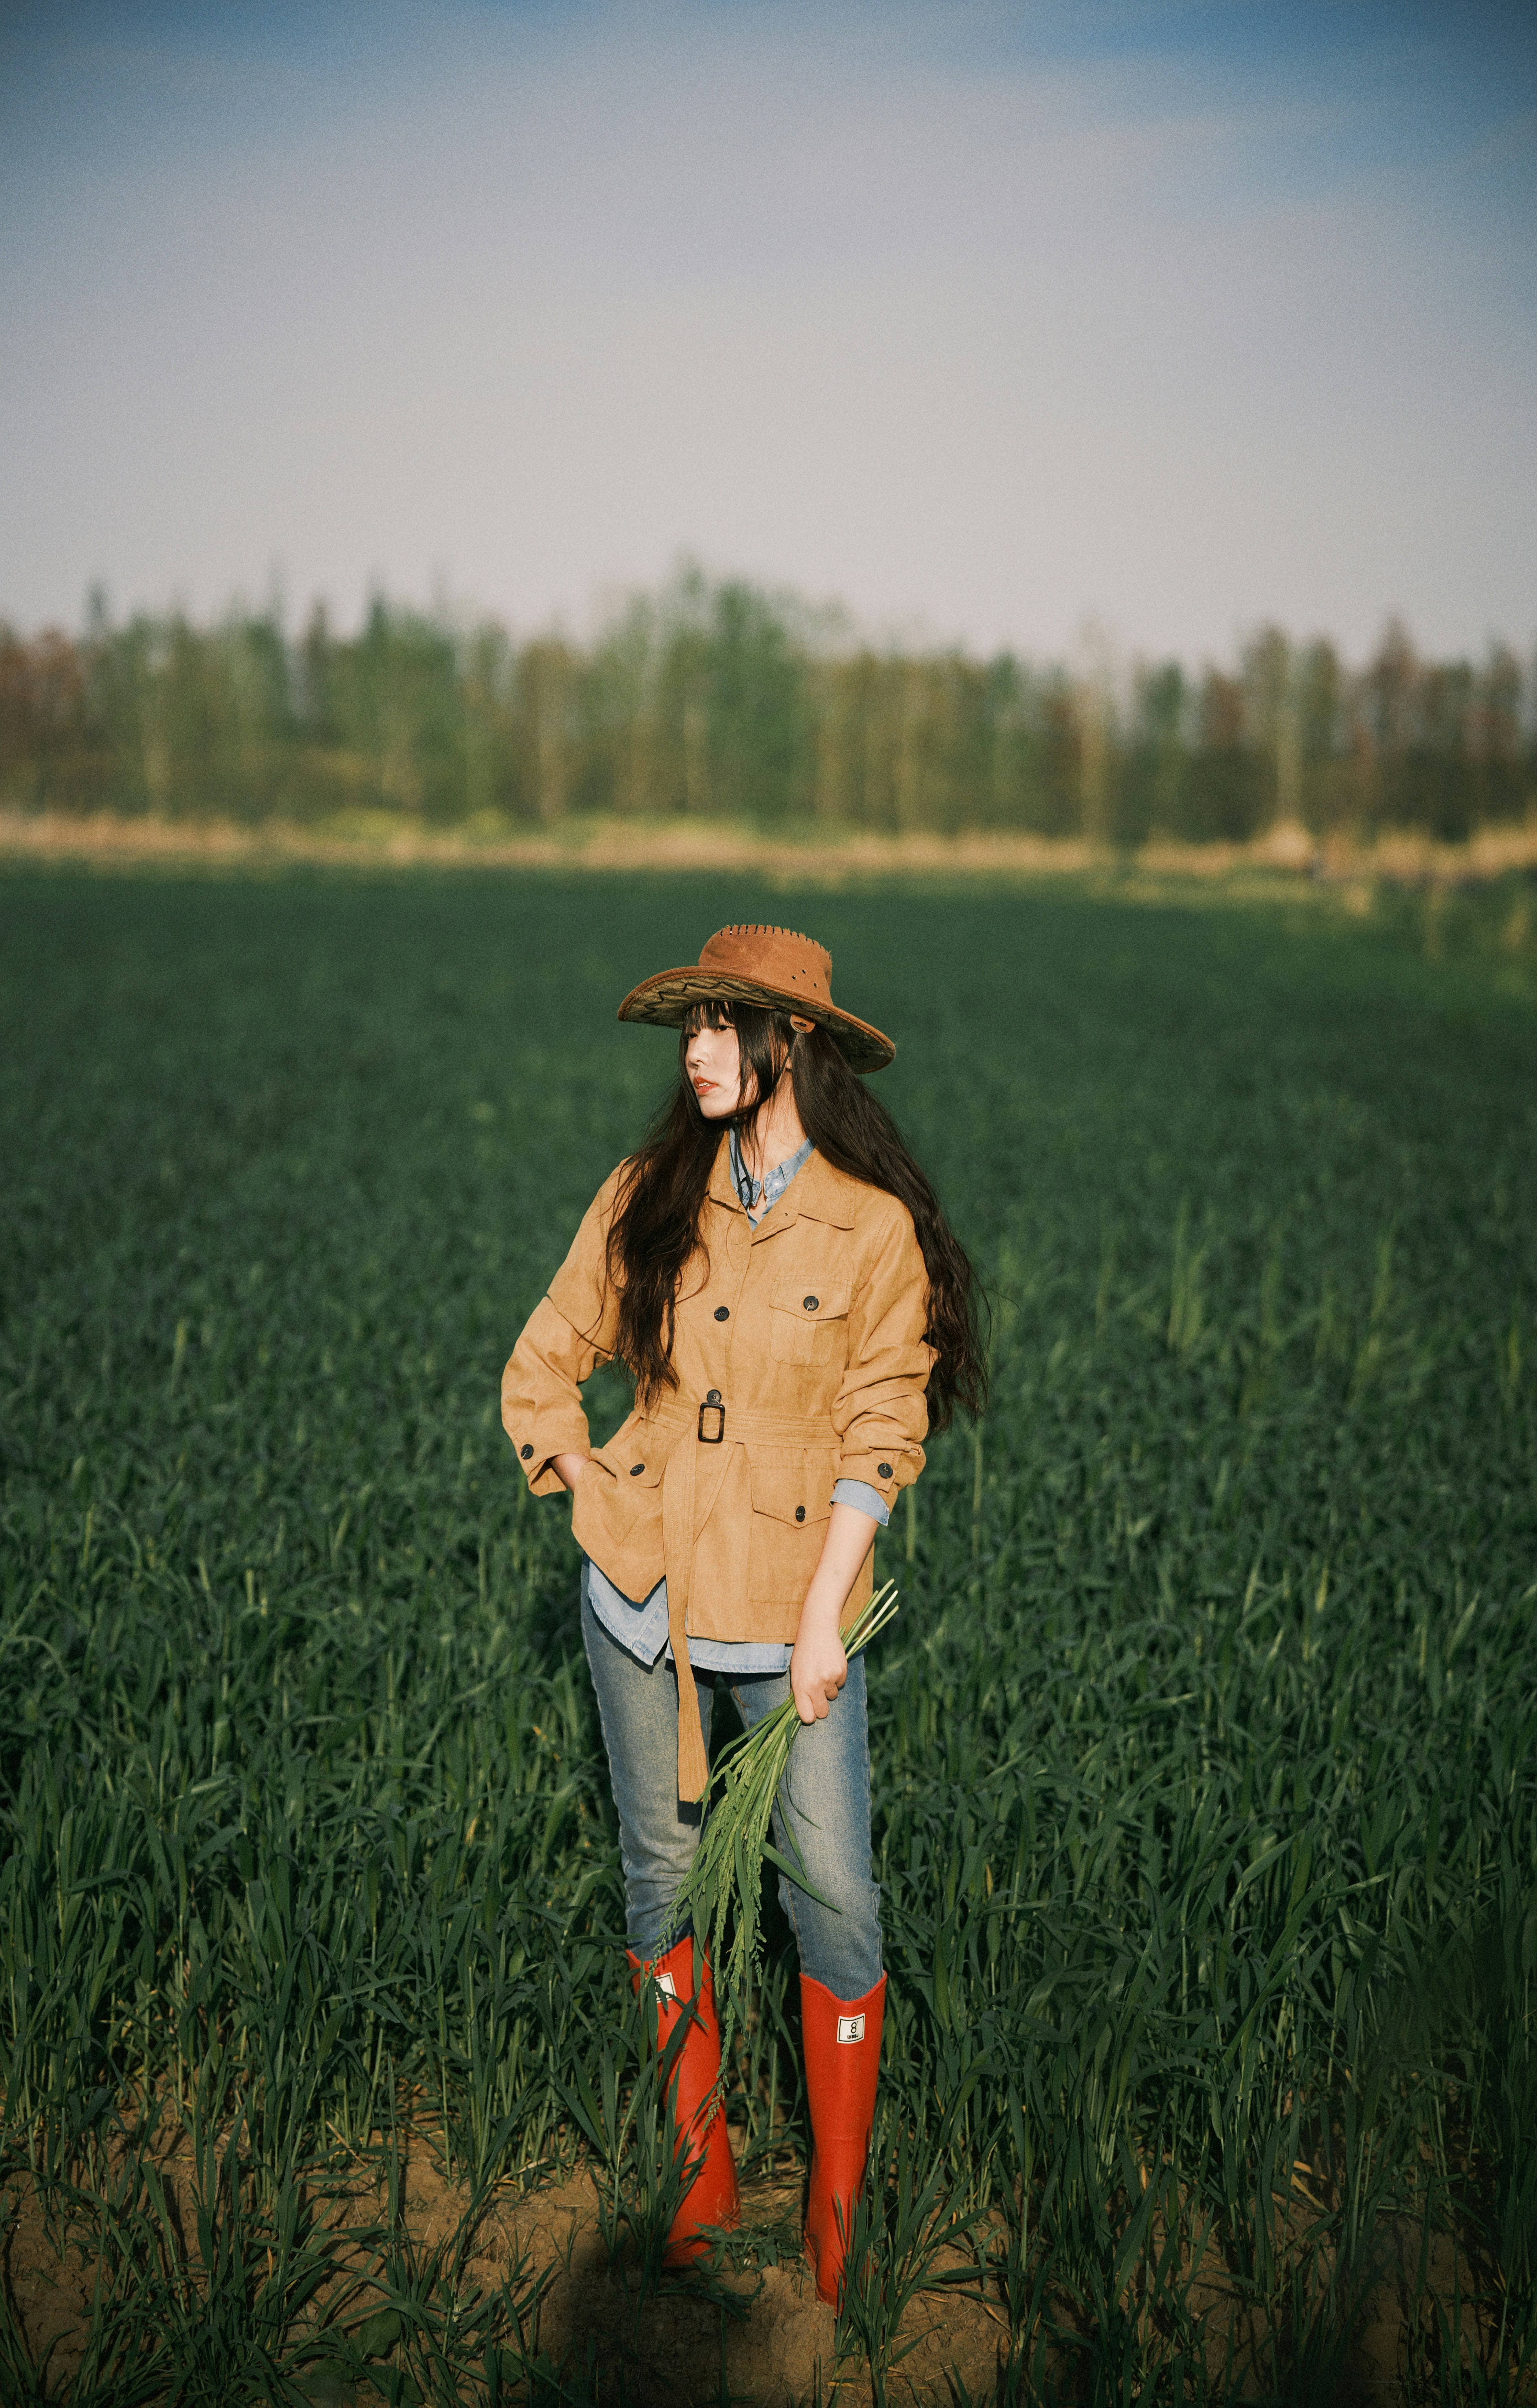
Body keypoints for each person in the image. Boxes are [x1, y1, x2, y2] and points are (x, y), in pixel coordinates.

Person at [501, 922, 985, 2307]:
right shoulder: (647, 1194)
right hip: (642, 1604)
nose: (699, 1051)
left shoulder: (871, 1227)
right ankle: (703, 2172)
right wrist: (583, 1480)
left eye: (725, 1026)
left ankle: (835, 2211)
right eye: (691, 1028)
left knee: (835, 1907)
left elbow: (882, 1429)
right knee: (661, 1883)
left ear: (797, 1046)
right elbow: (544, 1359)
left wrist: (829, 1614)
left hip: (789, 1619)